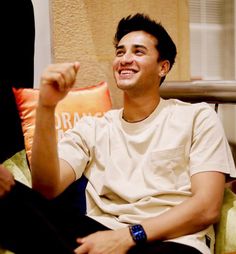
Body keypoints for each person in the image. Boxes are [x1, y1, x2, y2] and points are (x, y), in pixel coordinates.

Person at [0, 13, 235, 254]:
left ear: (163, 67)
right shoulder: (94, 127)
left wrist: (129, 236)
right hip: (99, 235)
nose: (125, 59)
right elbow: (47, 187)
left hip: (173, 241)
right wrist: (47, 107)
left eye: (138, 52)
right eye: (120, 52)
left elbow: (207, 207)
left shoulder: (197, 117)